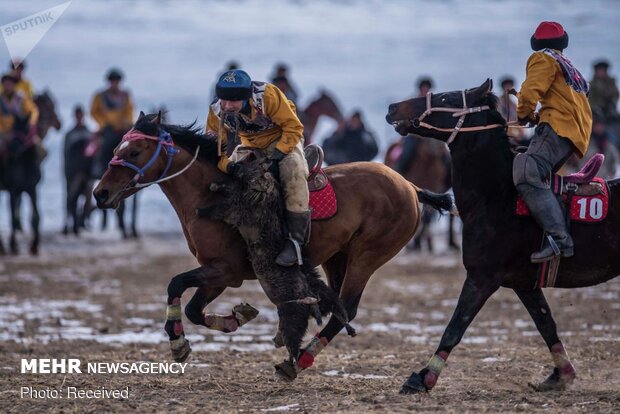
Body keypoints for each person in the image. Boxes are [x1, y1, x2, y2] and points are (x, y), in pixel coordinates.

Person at [205, 69, 308, 267]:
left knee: (293, 172)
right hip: (250, 145)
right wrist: (230, 166)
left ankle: (295, 242)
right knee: (221, 180)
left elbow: (294, 127)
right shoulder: (217, 111)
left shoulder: (268, 95)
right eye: (223, 100)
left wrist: (278, 153)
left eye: (232, 101)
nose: (226, 106)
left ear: (245, 98)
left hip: (283, 139)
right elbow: (215, 149)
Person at [513, 21, 592, 263]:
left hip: (557, 126)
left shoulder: (542, 58)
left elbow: (529, 92)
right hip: (575, 131)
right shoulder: (569, 66)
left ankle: (559, 239)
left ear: (537, 42)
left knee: (526, 171)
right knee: (537, 173)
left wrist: (524, 113)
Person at [90, 68, 134, 177]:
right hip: (108, 129)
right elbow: (94, 112)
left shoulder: (126, 95)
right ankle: (101, 168)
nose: (115, 83)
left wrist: (129, 122)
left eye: (117, 81)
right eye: (113, 81)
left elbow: (129, 110)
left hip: (123, 128)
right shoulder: (100, 96)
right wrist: (104, 123)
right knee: (105, 146)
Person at [395, 77, 435, 174]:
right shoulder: (412, 103)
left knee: (445, 156)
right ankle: (400, 173)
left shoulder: (434, 102)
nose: (425, 90)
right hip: (415, 136)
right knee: (407, 153)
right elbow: (403, 119)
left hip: (431, 135)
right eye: (423, 88)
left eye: (427, 88)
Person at [0, 72, 39, 157]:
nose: (8, 85)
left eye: (10, 83)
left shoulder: (21, 98)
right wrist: (4, 133)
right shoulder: (1, 99)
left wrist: (31, 124)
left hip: (21, 131)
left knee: (39, 150)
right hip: (4, 133)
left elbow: (33, 110)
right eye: (6, 83)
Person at [498, 76, 528, 141]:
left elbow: (518, 118)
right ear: (503, 87)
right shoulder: (499, 102)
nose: (509, 88)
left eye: (510, 86)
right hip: (505, 132)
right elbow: (500, 117)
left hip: (516, 133)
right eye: (507, 86)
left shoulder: (513, 104)